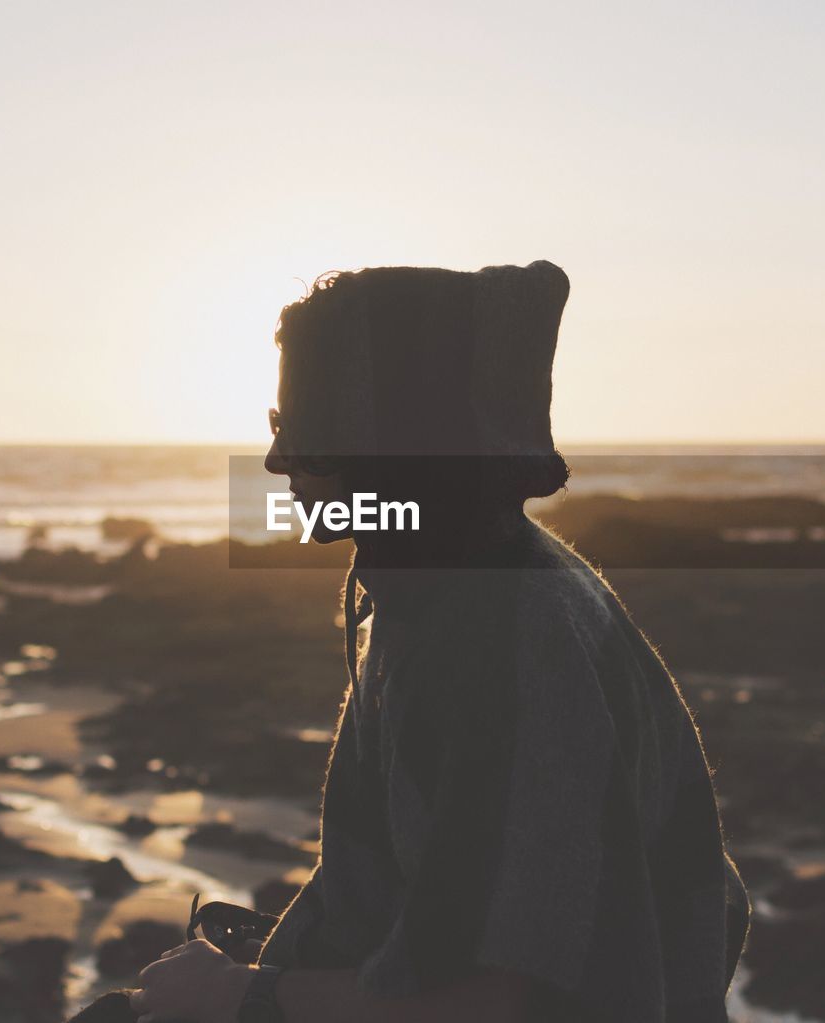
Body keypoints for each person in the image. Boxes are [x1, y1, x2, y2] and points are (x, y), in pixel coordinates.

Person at [123, 260, 750, 1022]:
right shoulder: (438, 584)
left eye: (302, 429)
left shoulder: (502, 641)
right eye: (275, 425)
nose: (275, 461)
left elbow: (496, 1002)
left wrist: (239, 995)